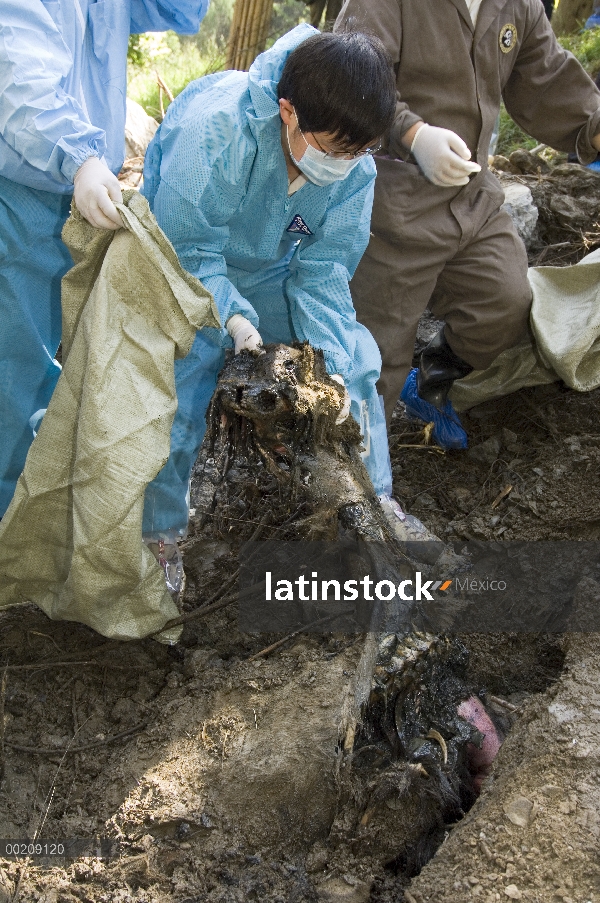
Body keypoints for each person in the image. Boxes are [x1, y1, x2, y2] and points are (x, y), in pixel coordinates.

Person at [140, 24, 405, 585]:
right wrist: (232, 317)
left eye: (360, 152)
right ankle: (158, 531)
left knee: (354, 361)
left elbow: (324, 270)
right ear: (289, 112)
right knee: (183, 371)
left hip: (273, 266)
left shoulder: (352, 170)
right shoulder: (216, 132)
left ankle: (374, 500)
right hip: (181, 261)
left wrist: (330, 370)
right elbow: (184, 245)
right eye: (335, 151)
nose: (346, 163)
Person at [334, 0, 600, 445]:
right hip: (390, 203)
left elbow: (549, 81)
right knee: (374, 357)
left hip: (471, 195)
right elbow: (348, 77)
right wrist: (412, 135)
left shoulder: (518, 6)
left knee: (504, 301)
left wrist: (593, 126)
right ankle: (359, 478)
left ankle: (431, 379)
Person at [0, 0, 209, 519]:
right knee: (10, 371)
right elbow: (18, 78)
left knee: (38, 365)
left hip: (69, 193)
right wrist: (81, 157)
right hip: (22, 190)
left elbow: (177, 11)